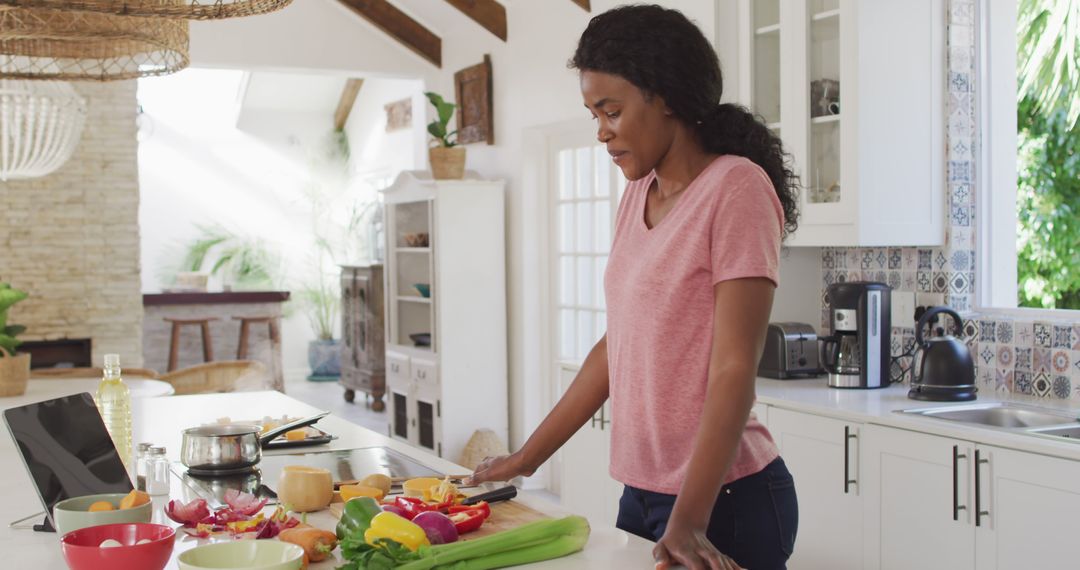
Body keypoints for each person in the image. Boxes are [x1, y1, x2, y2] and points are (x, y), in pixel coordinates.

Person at [466, 5, 800, 569]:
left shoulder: (735, 189)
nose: (601, 131)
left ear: (665, 96)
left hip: (722, 498)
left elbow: (734, 370)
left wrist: (689, 521)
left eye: (611, 110)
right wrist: (526, 457)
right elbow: (614, 349)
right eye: (594, 113)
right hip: (641, 492)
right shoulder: (638, 194)